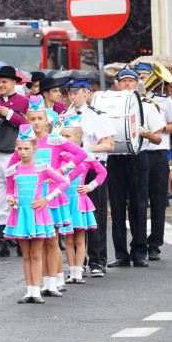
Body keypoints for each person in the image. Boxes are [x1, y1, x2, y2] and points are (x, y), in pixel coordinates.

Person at [5, 125, 70, 304]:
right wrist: (11, 199)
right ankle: (30, 291)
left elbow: (63, 182)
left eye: (26, 148)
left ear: (35, 148)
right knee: (26, 255)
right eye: (19, 148)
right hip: (21, 216)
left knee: (36, 253)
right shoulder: (13, 170)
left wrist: (47, 200)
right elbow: (9, 190)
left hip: (38, 215)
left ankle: (38, 291)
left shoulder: (42, 167)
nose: (23, 152)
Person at [107, 70, 166, 269]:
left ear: (137, 83)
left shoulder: (147, 106)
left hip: (138, 157)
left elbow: (159, 138)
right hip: (115, 157)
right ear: (117, 84)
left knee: (139, 206)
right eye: (123, 81)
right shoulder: (109, 105)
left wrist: (149, 135)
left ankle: (139, 252)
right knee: (116, 207)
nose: (127, 84)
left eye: (131, 81)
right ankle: (121, 254)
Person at [64, 79, 115, 277]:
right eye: (70, 93)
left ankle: (97, 260)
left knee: (95, 215)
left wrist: (83, 150)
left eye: (76, 93)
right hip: (71, 169)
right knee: (73, 215)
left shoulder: (97, 116)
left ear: (86, 93)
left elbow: (109, 145)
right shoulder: (65, 117)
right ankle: (78, 262)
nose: (72, 97)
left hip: (92, 167)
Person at [0, 66, 30, 258]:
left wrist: (9, 115)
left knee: (19, 195)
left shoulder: (24, 101)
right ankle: (1, 242)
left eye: (4, 82)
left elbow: (28, 125)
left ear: (14, 83)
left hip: (15, 154)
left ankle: (21, 238)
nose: (0, 85)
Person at [58, 116, 107, 285]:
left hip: (79, 201)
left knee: (79, 239)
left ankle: (79, 272)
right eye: (62, 136)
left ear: (78, 137)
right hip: (65, 201)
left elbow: (102, 172)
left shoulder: (86, 155)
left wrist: (89, 187)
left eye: (67, 136)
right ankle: (72, 272)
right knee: (69, 240)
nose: (64, 140)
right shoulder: (61, 155)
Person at [139, 70, 172, 260]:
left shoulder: (164, 100)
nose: (142, 81)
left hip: (158, 153)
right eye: (138, 77)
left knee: (158, 200)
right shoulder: (132, 101)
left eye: (144, 77)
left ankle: (155, 243)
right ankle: (139, 241)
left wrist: (160, 127)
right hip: (139, 152)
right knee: (137, 201)